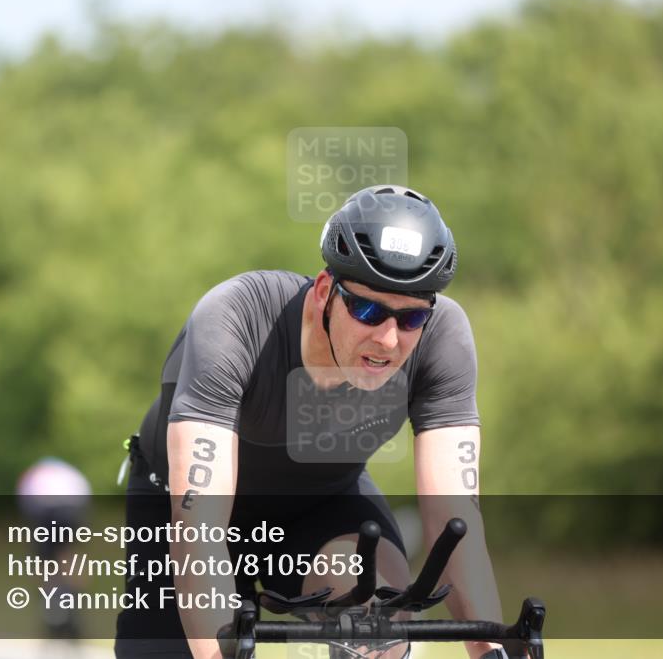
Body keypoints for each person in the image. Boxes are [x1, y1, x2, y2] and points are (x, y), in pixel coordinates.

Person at [115, 186, 503, 659]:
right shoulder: (235, 319)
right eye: (368, 310)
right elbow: (201, 527)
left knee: (376, 622)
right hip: (189, 508)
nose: (387, 339)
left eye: (411, 317)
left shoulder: (443, 338)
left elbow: (455, 521)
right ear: (324, 293)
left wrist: (491, 651)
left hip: (322, 501)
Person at [17, 456, 92, 643]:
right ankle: (74, 606)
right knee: (69, 557)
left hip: (45, 510)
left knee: (44, 564)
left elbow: (26, 504)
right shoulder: (68, 471)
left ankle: (51, 608)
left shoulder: (33, 474)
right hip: (72, 509)